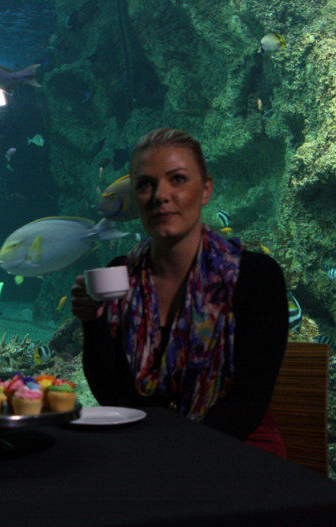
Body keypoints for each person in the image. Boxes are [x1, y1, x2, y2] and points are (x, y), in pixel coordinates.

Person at [70, 128, 288, 457]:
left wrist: (172, 454)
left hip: (238, 452)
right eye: (145, 184)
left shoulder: (256, 276)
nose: (161, 194)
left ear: (206, 190)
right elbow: (111, 395)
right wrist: (93, 320)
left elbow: (248, 402)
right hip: (143, 446)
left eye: (178, 179)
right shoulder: (119, 274)